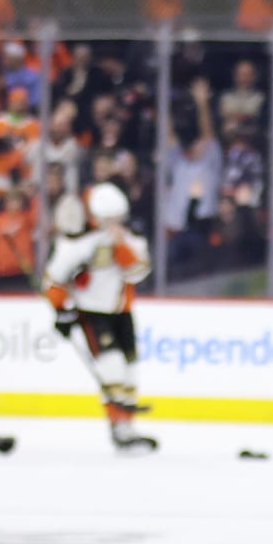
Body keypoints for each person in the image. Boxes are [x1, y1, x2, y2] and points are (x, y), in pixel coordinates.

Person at [44, 182, 155, 452]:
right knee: (112, 367)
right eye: (107, 219)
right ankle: (118, 427)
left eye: (117, 218)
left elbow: (137, 273)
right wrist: (62, 311)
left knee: (129, 373)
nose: (113, 224)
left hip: (122, 311)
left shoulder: (133, 241)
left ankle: (126, 428)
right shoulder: (81, 243)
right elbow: (55, 279)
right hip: (93, 313)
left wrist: (119, 246)